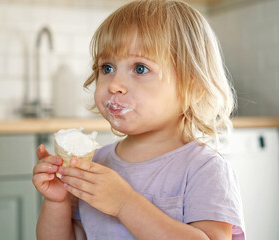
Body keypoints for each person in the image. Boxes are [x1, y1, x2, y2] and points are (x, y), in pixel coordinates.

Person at [32, 0, 246, 239]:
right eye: (107, 68)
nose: (114, 84)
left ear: (192, 88)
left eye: (140, 68)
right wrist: (57, 202)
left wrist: (124, 203)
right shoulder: (96, 164)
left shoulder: (204, 169)